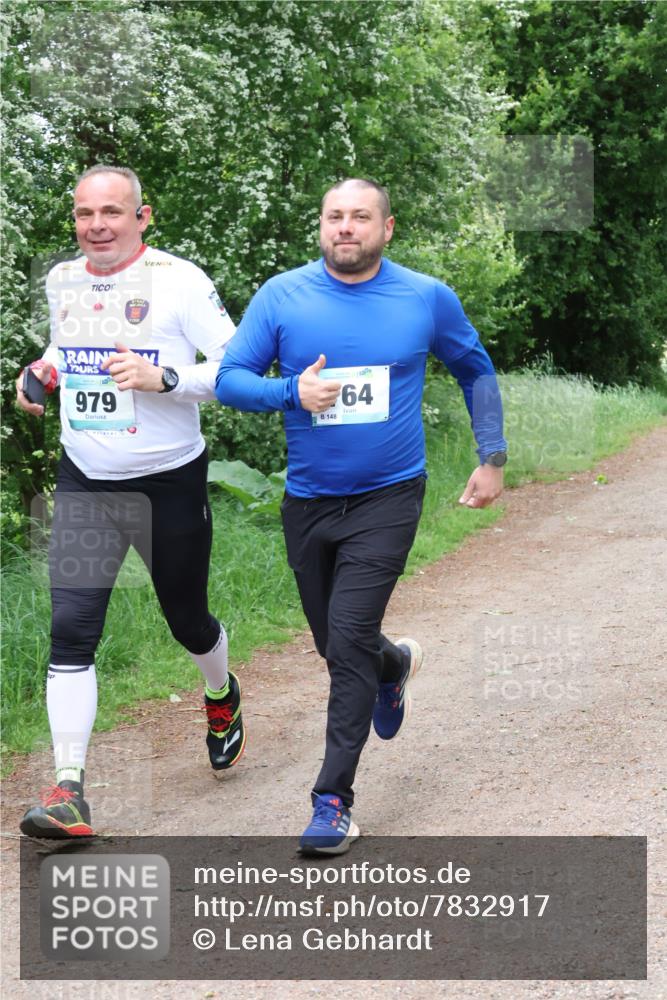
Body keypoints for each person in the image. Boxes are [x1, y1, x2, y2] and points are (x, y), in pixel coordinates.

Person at [215, 177, 507, 855]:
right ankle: (392, 667)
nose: (344, 227)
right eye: (333, 217)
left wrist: (490, 457)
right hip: (309, 501)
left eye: (359, 217)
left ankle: (332, 801)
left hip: (389, 495)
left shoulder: (423, 297)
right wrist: (293, 390)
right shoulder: (281, 296)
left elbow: (476, 370)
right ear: (321, 226)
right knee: (338, 645)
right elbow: (231, 380)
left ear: (386, 227)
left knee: (345, 641)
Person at [17, 165, 245, 839]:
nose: (97, 226)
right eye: (86, 214)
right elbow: (66, 348)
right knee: (72, 631)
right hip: (87, 477)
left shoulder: (180, 281)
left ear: (142, 218)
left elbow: (237, 365)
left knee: (187, 620)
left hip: (167, 479)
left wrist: (164, 377)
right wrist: (42, 372)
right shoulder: (64, 280)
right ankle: (69, 791)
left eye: (112, 212)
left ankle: (219, 692)